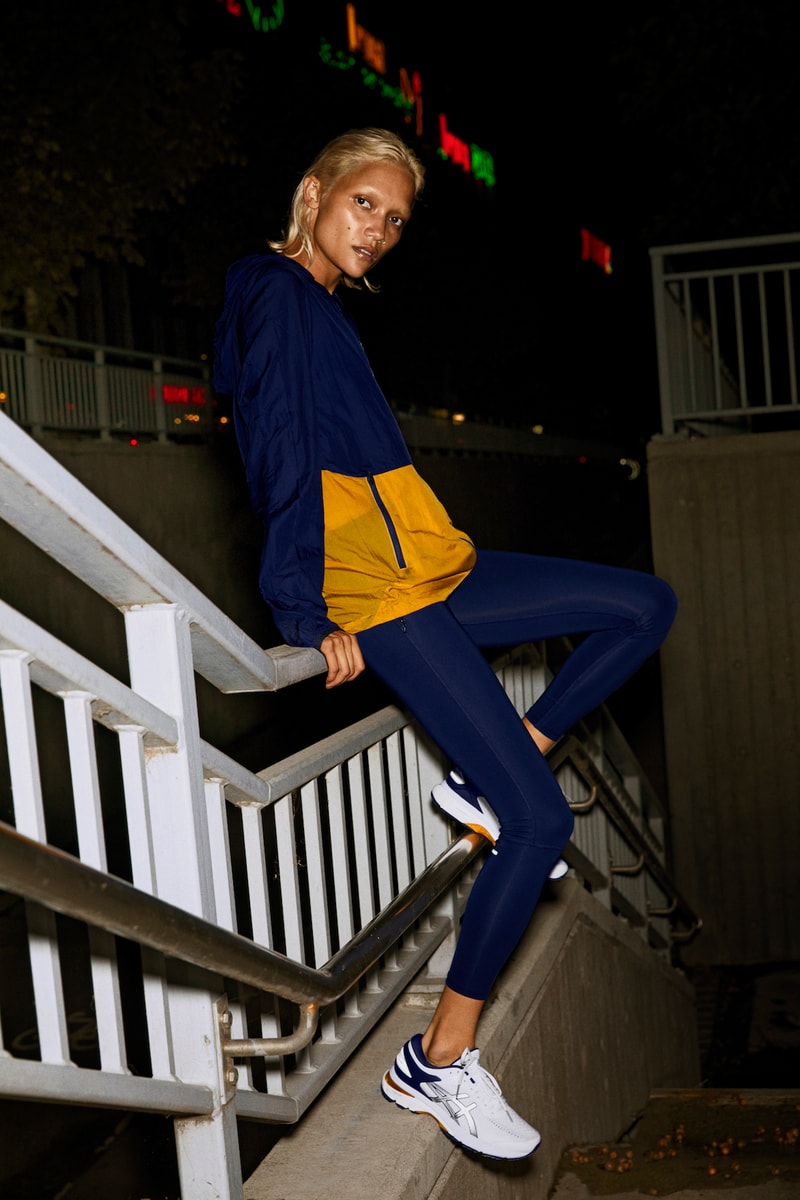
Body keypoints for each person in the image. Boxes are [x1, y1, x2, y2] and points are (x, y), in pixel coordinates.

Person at [213, 128, 677, 1161]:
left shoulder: (321, 304)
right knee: (538, 823)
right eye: (363, 204)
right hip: (377, 589)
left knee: (642, 605)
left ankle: (507, 757)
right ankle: (438, 1058)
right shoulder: (276, 291)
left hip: (429, 559)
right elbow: (278, 451)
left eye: (393, 220)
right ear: (313, 191)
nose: (377, 230)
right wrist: (302, 612)